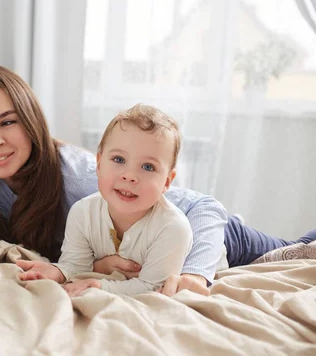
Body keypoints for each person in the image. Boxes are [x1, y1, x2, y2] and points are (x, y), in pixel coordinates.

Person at [0, 64, 316, 296]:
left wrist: (195, 276)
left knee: (297, 252)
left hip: (210, 237)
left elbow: (205, 208)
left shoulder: (84, 180)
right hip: (143, 249)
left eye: (8, 122)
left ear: (32, 119)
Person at [20, 104, 193, 297]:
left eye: (147, 167)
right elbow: (76, 265)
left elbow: (153, 287)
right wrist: (58, 272)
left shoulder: (172, 228)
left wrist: (100, 286)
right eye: (119, 160)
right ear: (99, 164)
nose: (129, 176)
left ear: (167, 181)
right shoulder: (82, 213)